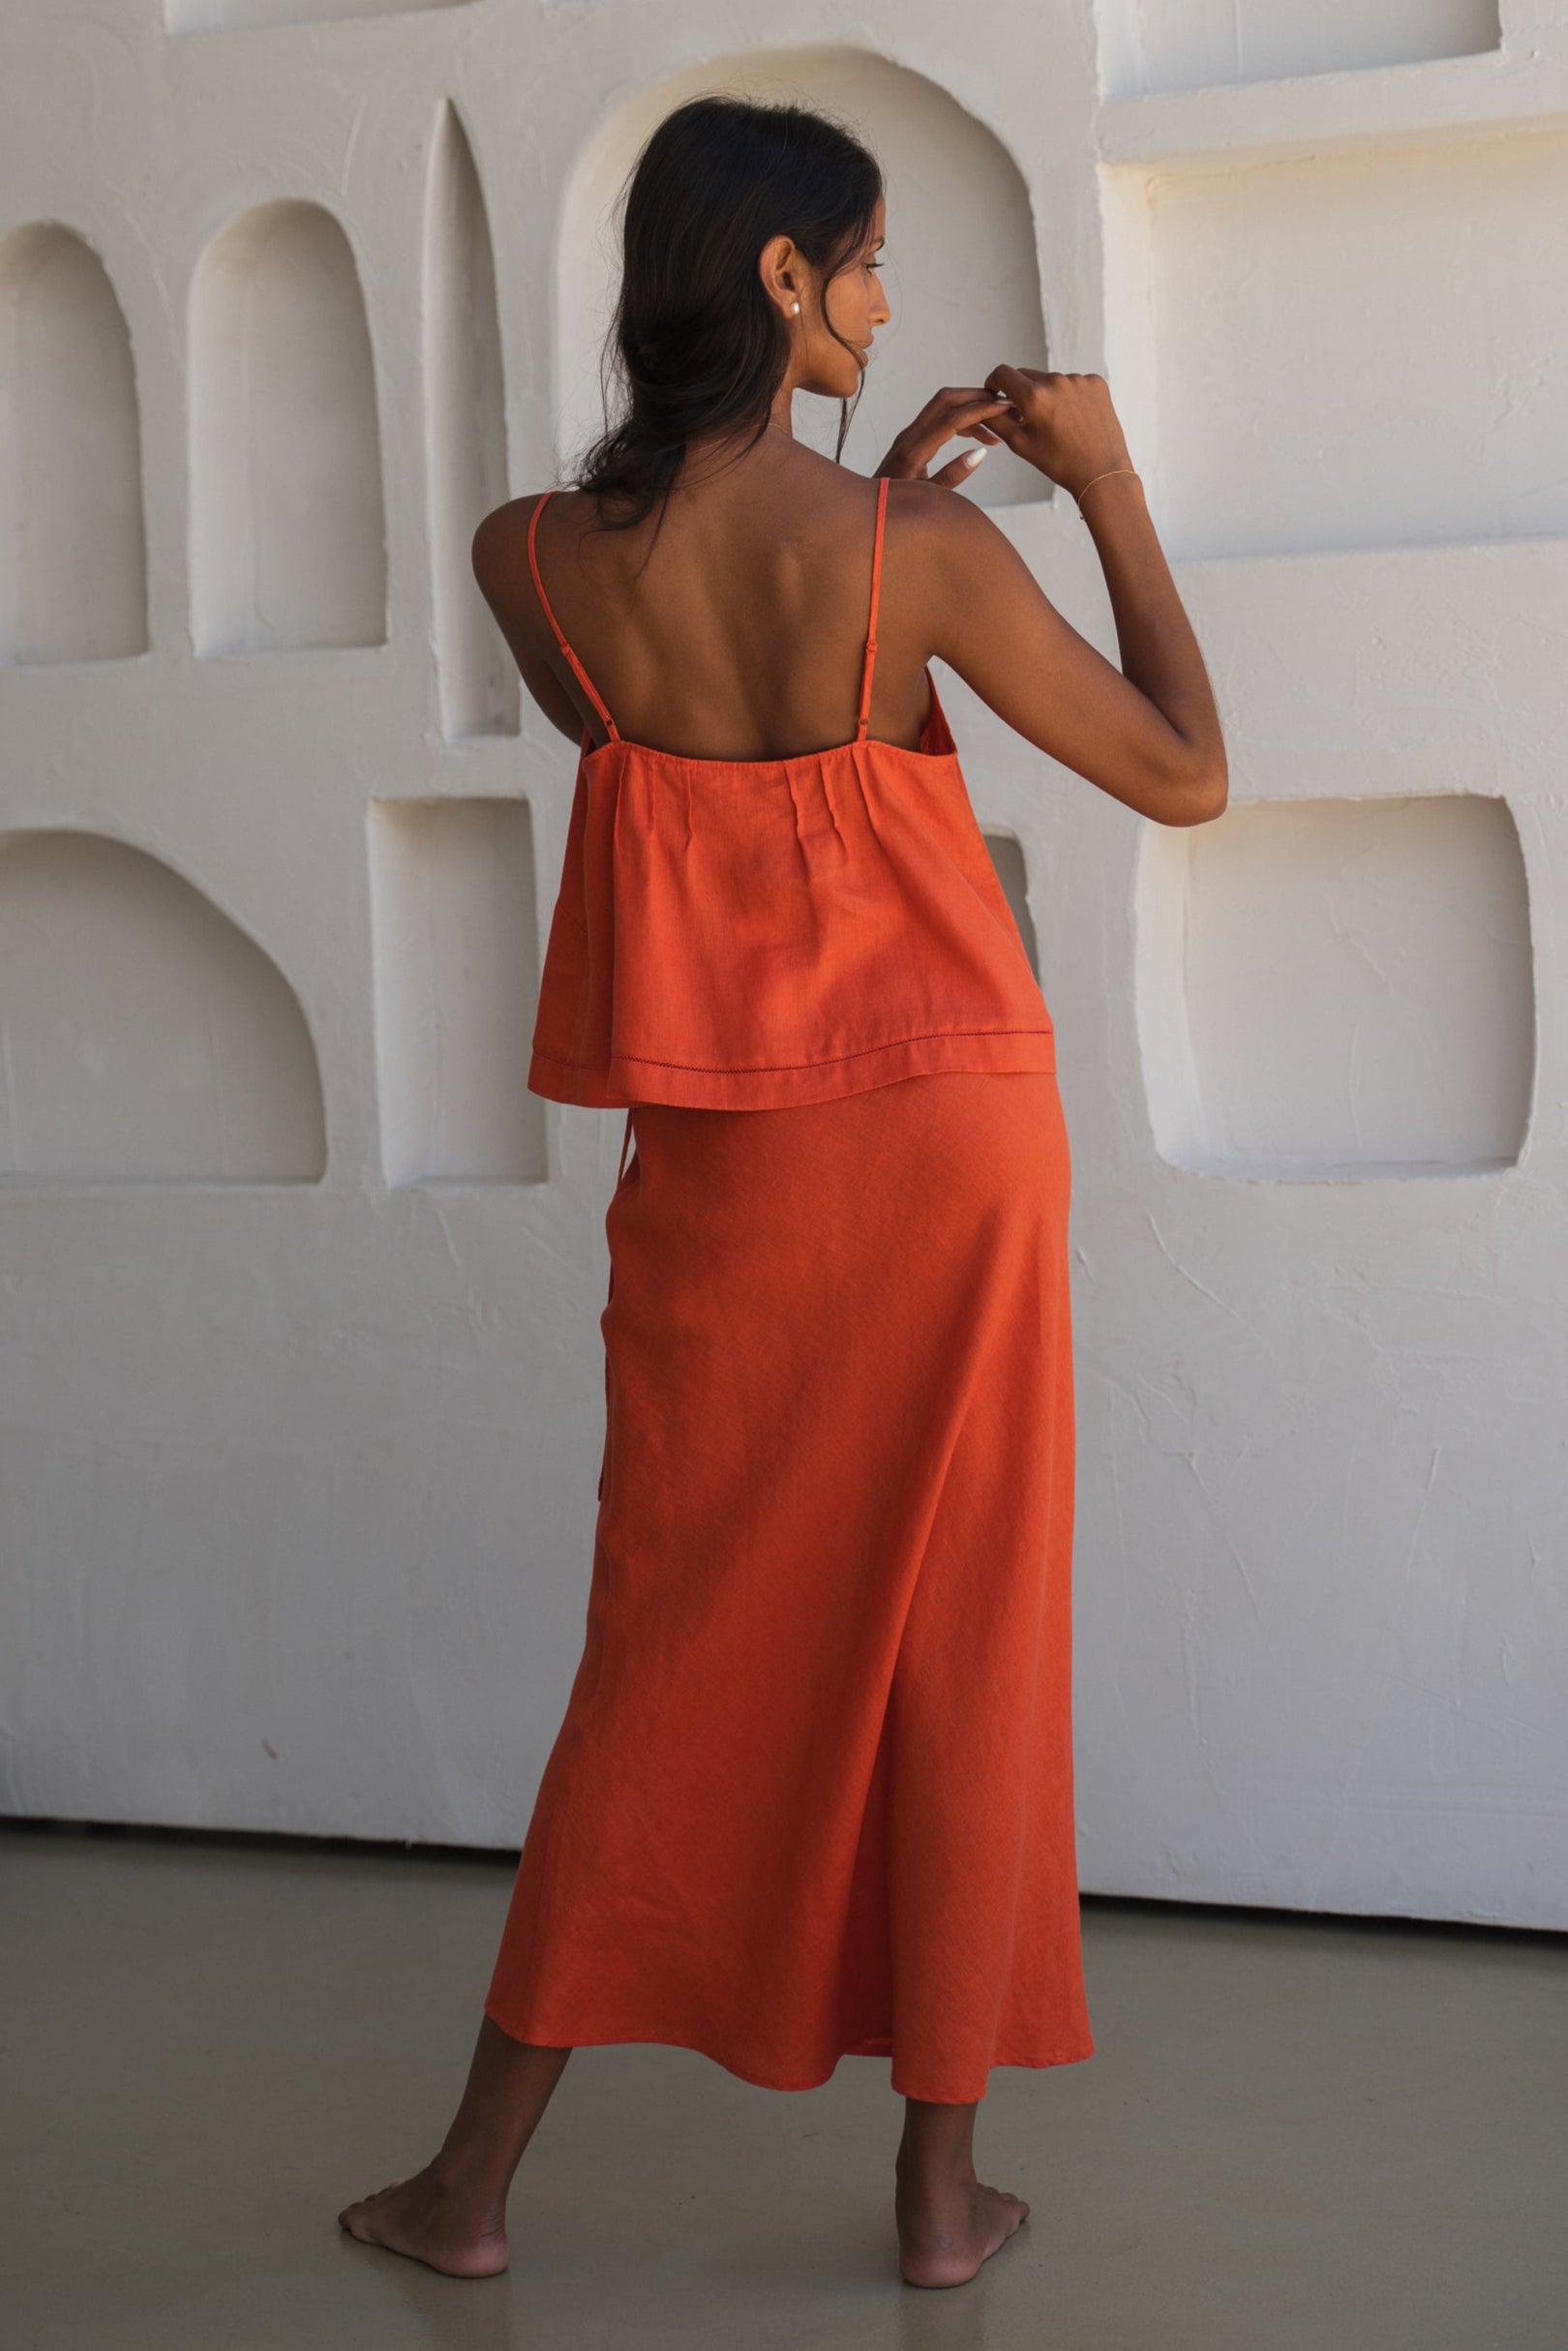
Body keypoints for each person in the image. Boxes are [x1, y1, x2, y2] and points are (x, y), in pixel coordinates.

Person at [339, 90, 1225, 2294]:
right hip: (950, 1163)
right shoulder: (920, 561)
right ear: (779, 278)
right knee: (964, 1628)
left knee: (663, 1641)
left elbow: (689, 782)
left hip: (723, 1173)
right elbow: (1189, 774)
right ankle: (935, 2197)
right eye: (867, 262)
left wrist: (883, 508)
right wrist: (1095, 485)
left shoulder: (523, 557)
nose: (891, 302)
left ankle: (467, 2190)